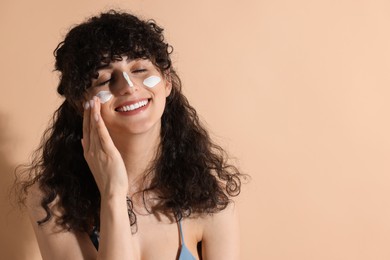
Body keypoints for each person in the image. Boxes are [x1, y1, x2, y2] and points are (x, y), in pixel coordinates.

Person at [16, 10, 244, 260]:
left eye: (140, 69)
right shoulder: (51, 202)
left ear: (167, 82)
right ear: (82, 104)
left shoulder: (210, 202)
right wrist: (113, 192)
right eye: (103, 80)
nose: (127, 86)